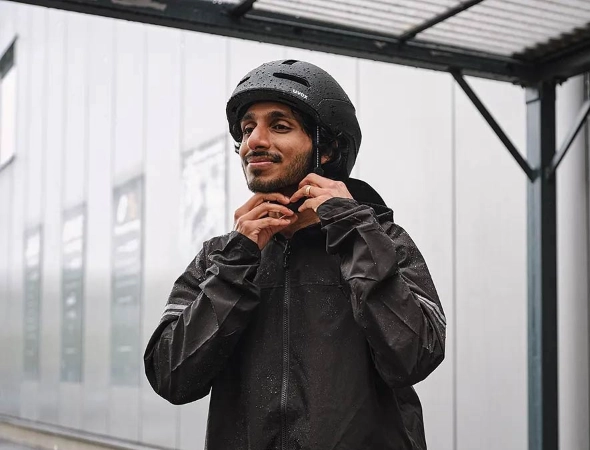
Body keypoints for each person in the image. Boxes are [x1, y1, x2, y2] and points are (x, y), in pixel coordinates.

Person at [143, 59, 446, 450]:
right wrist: (238, 261)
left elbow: (414, 355)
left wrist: (353, 231)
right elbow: (173, 377)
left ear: (327, 148)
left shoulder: (383, 240)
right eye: (248, 127)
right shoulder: (220, 257)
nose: (254, 140)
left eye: (279, 126)